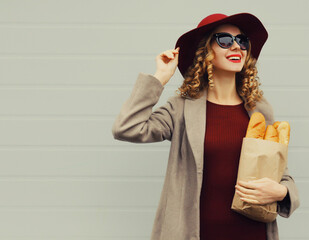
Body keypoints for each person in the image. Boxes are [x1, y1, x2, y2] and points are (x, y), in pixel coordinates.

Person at [112, 13, 299, 240]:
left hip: (253, 232)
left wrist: (281, 192)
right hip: (196, 232)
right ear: (206, 52)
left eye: (242, 41)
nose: (236, 47)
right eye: (225, 40)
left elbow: (281, 173)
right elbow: (127, 127)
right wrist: (160, 77)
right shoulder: (180, 109)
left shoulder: (259, 110)